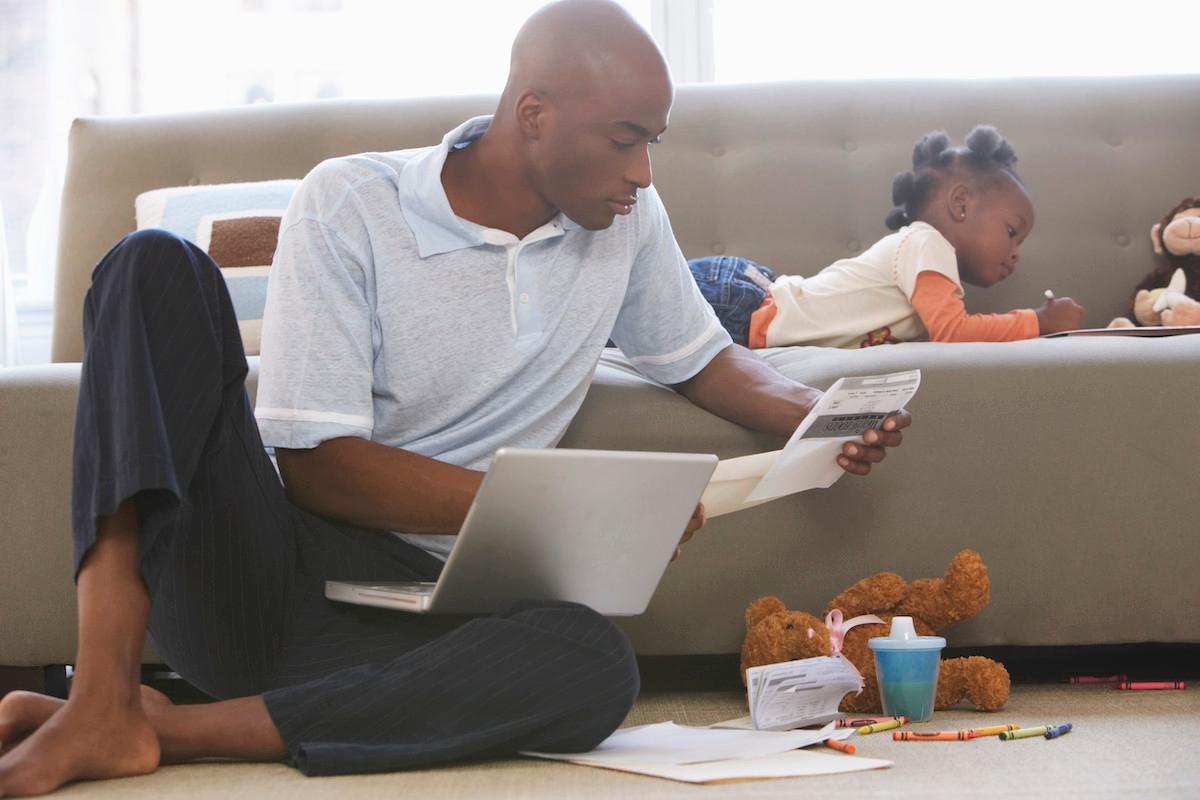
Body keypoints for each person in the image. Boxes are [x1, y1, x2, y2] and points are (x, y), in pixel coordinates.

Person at [0, 1, 911, 795]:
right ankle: (103, 692)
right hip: (268, 575)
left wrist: (818, 420)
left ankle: (148, 725)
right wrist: (565, 515)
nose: (642, 172)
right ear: (534, 115)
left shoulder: (625, 225)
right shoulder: (350, 203)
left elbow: (703, 361)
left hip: (429, 613)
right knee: (149, 267)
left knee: (592, 666)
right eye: (625, 139)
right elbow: (318, 470)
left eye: (653, 144)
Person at [688, 126, 1087, 349]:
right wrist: (1039, 321)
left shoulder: (928, 268)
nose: (1015, 254)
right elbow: (954, 333)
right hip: (741, 303)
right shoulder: (926, 244)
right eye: (1012, 232)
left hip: (751, 309)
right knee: (632, 318)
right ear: (961, 203)